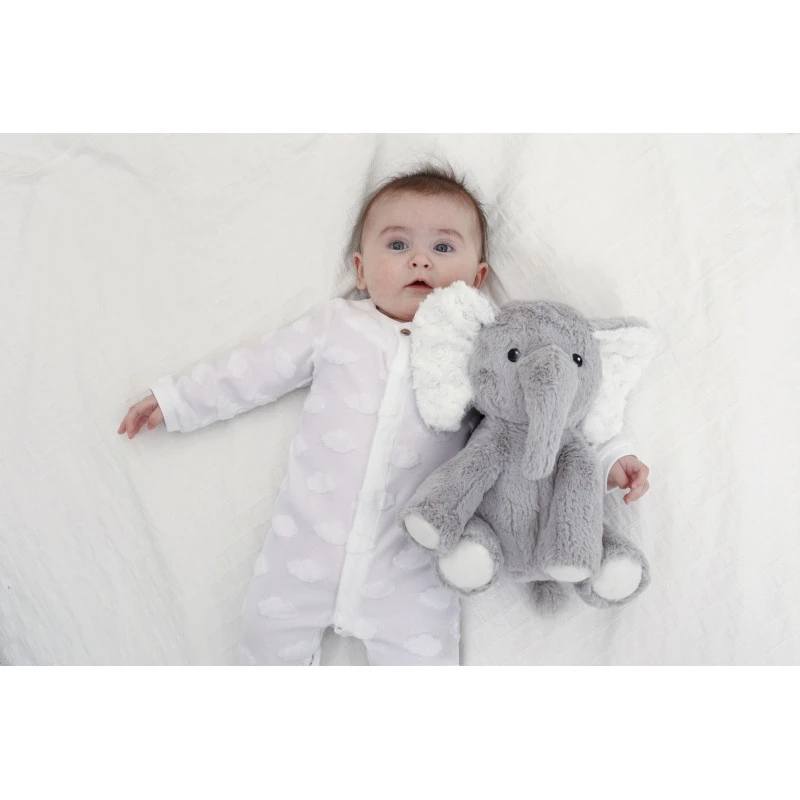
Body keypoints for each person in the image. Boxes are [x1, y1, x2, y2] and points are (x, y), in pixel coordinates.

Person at [118, 164, 651, 665]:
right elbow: (254, 370)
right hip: (302, 553)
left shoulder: (482, 352)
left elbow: (542, 418)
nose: (420, 260)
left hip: (413, 566)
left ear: (477, 277)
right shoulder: (335, 326)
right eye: (397, 245)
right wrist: (177, 401)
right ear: (360, 269)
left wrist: (611, 458)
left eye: (443, 247)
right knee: (263, 641)